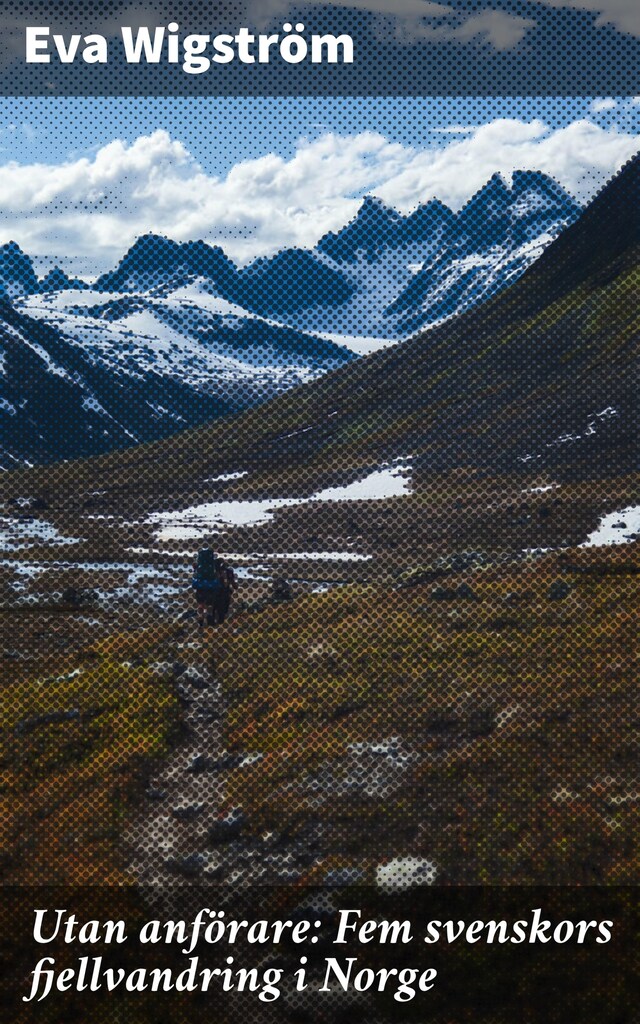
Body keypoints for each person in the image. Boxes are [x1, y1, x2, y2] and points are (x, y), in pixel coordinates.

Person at [192, 547, 236, 628]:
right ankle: (209, 617)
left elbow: (194, 574)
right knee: (210, 604)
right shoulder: (213, 565)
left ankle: (200, 619)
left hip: (200, 587)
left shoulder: (199, 564)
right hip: (211, 587)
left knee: (200, 605)